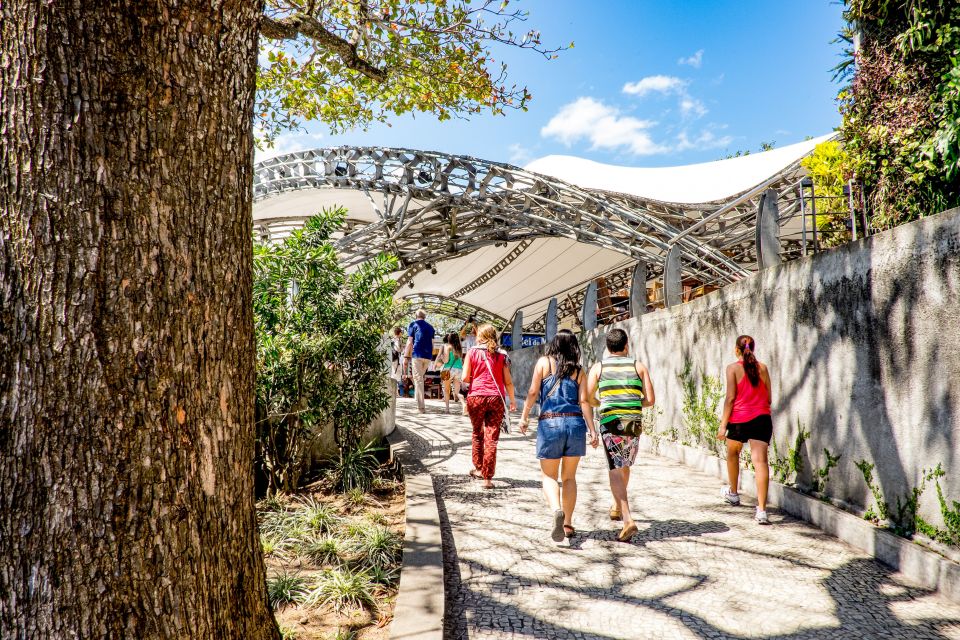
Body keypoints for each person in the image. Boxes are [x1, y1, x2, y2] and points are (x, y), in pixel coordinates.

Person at [519, 330, 599, 542]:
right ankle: (568, 523)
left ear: (554, 344)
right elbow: (584, 402)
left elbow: (533, 392)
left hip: (550, 423)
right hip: (575, 425)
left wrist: (524, 417)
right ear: (574, 347)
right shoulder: (579, 371)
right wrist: (592, 430)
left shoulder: (544, 363)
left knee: (548, 476)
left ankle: (556, 510)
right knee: (570, 477)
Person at [586, 328, 655, 542]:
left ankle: (627, 520)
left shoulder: (599, 367)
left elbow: (588, 396)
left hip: (611, 421)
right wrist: (634, 403)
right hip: (633, 422)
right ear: (626, 346)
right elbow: (650, 400)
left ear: (607, 348)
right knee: (625, 464)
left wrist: (601, 403)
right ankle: (616, 506)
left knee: (615, 468)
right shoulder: (638, 366)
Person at [717, 335, 773, 525]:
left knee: (733, 453)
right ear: (753, 349)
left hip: (739, 421)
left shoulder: (732, 368)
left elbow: (730, 398)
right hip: (762, 420)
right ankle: (762, 511)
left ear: (736, 350)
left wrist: (723, 425)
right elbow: (769, 399)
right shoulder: (763, 368)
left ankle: (733, 493)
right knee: (761, 463)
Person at [462, 323, 517, 489]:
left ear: (481, 336)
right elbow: (508, 381)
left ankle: (479, 468)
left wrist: (478, 376)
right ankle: (487, 478)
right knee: (491, 437)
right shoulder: (502, 355)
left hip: (476, 397)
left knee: (477, 433)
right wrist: (513, 401)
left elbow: (465, 378)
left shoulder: (472, 352)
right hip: (496, 399)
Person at [403, 309, 435, 414]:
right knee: (419, 378)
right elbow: (432, 343)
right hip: (428, 357)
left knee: (419, 380)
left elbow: (409, 341)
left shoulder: (413, 324)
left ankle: (421, 408)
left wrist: (405, 355)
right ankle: (417, 400)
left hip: (417, 355)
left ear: (416, 316)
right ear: (424, 317)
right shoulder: (431, 327)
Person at [434, 332, 464, 414]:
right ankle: (464, 404)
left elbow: (446, 361)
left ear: (449, 339)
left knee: (446, 390)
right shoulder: (459, 348)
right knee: (457, 392)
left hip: (447, 370)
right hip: (459, 370)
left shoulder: (448, 347)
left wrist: (442, 358)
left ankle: (447, 409)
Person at [390, 327, 404, 396]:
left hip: (394, 359)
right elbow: (398, 349)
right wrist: (402, 348)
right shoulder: (397, 340)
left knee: (395, 374)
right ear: (399, 333)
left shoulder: (392, 339)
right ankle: (394, 392)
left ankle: (395, 392)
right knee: (396, 375)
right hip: (396, 359)